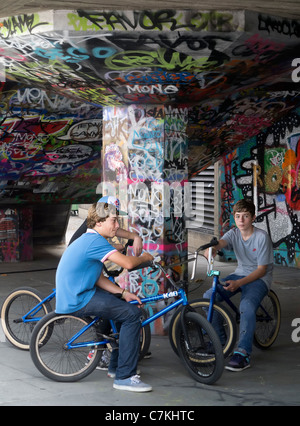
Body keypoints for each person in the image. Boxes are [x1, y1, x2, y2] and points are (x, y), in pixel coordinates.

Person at [56, 197, 154, 392]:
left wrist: (124, 292)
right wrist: (146, 257)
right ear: (99, 222)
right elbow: (128, 263)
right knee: (132, 315)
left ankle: (116, 367)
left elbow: (98, 278)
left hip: (80, 292)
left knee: (125, 311)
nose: (117, 226)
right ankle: (125, 377)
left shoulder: (92, 238)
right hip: (77, 298)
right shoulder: (94, 241)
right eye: (113, 221)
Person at [203, 199, 273, 372]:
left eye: (246, 216)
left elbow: (262, 270)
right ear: (234, 218)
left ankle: (243, 353)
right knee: (208, 297)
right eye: (238, 216)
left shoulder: (261, 237)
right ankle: (219, 341)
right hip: (239, 274)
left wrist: (239, 283)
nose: (241, 220)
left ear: (253, 218)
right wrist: (211, 250)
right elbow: (220, 243)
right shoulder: (234, 233)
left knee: (246, 306)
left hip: (259, 278)